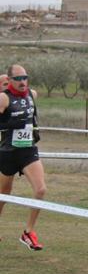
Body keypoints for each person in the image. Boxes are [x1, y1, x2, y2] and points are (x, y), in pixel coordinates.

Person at [0, 64, 46, 250]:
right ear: (10, 81)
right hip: (8, 153)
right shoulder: (3, 98)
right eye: (18, 78)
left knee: (41, 189)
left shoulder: (32, 95)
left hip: (28, 150)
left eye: (25, 77)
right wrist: (11, 123)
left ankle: (28, 232)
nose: (22, 82)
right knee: (3, 196)